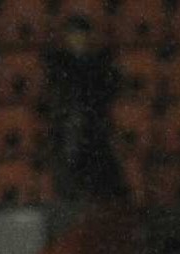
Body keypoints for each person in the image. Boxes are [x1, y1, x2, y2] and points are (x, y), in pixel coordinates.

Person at [42, 14, 126, 203]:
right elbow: (57, 95)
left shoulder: (100, 63)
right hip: (69, 125)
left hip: (94, 126)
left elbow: (107, 92)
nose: (77, 39)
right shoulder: (58, 63)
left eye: (81, 35)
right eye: (73, 35)